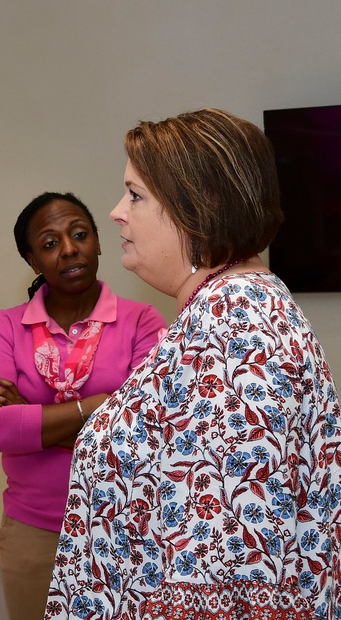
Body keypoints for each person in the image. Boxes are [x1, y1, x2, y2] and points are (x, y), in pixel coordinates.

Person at [45, 108, 340, 619]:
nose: (116, 211)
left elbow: (229, 565)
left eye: (135, 195)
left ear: (199, 208)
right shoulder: (229, 309)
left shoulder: (235, 329)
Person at [0, 192, 165, 620]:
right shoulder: (6, 326)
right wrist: (98, 405)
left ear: (98, 242)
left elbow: (142, 434)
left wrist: (33, 419)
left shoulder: (143, 322)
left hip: (125, 528)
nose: (69, 249)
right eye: (49, 243)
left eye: (79, 234)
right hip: (34, 532)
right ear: (32, 260)